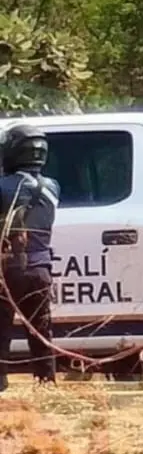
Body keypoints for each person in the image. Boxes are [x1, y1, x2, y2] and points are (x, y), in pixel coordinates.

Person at [0, 124, 58, 389]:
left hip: (8, 268)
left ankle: (1, 383)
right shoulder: (53, 187)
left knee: (1, 330)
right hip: (41, 268)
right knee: (40, 329)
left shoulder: (3, 186)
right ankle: (46, 380)